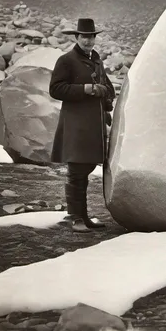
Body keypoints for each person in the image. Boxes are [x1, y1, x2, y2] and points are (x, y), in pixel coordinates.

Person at [49, 18, 115, 233]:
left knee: (85, 168)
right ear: (76, 37)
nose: (89, 40)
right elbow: (56, 89)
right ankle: (75, 217)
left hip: (93, 125)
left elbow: (105, 84)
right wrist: (86, 89)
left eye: (92, 36)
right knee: (77, 170)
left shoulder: (95, 60)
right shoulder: (66, 60)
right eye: (85, 36)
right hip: (76, 124)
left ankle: (83, 217)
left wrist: (107, 99)